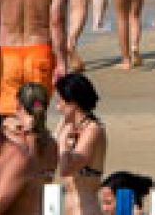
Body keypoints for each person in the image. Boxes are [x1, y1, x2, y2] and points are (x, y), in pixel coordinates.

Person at [54, 73, 107, 215]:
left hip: (86, 208)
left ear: (73, 103)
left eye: (60, 102)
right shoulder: (66, 125)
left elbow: (67, 169)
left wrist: (63, 142)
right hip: (68, 207)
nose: (57, 107)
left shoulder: (93, 130)